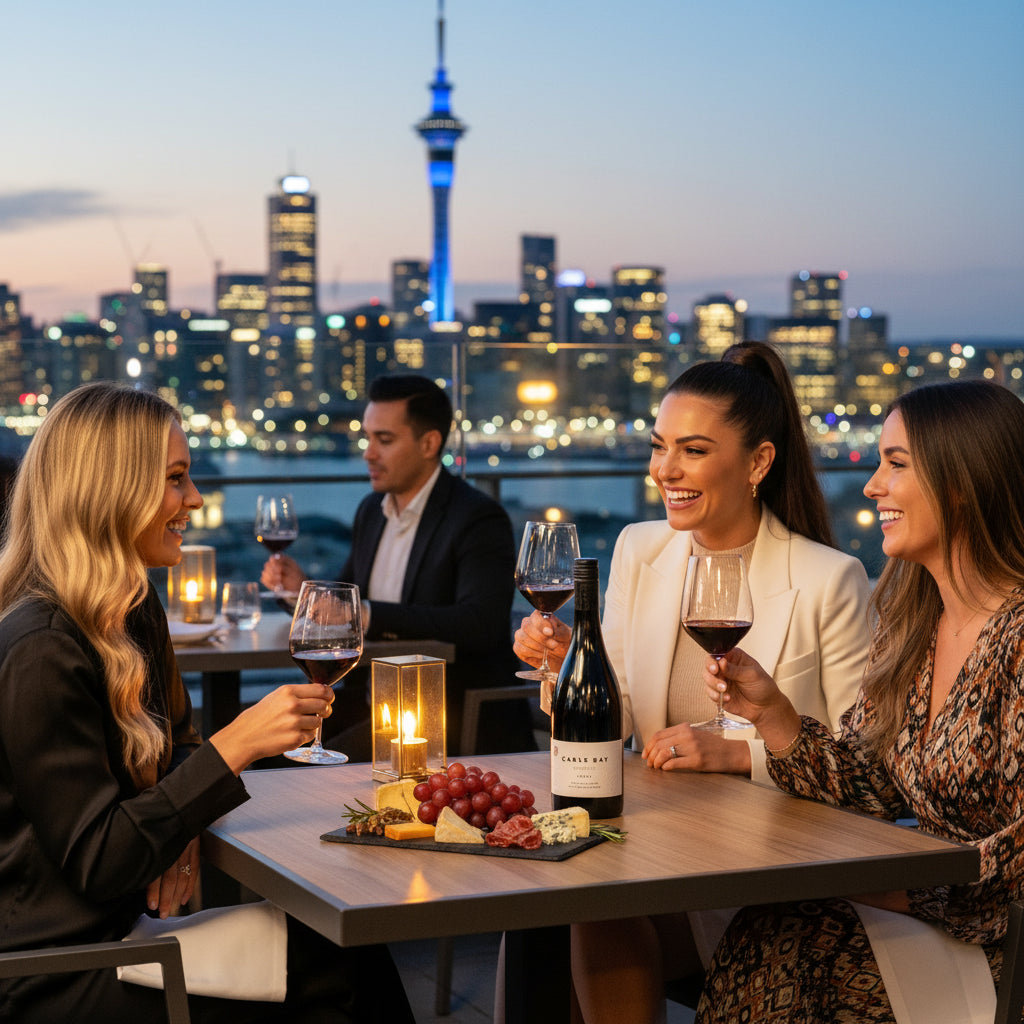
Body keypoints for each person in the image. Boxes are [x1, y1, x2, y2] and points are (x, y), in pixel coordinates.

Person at [0, 382, 414, 1023]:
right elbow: (103, 861)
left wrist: (181, 820)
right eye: (175, 478)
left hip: (119, 934)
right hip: (53, 969)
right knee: (340, 974)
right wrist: (241, 742)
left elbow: (180, 746)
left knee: (350, 945)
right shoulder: (42, 647)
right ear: (109, 491)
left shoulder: (131, 609)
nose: (194, 499)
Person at [512, 342, 872, 1024]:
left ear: (759, 462)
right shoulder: (640, 551)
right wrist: (564, 662)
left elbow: (862, 757)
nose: (665, 470)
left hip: (776, 865)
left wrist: (739, 752)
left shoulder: (830, 578)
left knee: (592, 900)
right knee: (563, 894)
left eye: (694, 450)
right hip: (660, 842)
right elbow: (610, 722)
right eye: (658, 446)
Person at [695, 379, 1024, 1023]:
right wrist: (774, 715)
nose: (872, 486)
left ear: (965, 479)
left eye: (895, 464)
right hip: (926, 909)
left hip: (1002, 939)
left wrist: (894, 891)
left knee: (791, 946)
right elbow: (870, 784)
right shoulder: (912, 621)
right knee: (772, 931)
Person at [262, 373, 534, 758]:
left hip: (445, 716)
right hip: (372, 702)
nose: (368, 453)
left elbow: (480, 623)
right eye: (368, 438)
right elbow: (346, 604)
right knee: (265, 748)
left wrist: (366, 613)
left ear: (429, 443)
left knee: (299, 767)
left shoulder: (477, 517)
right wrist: (301, 592)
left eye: (384, 440)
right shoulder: (372, 511)